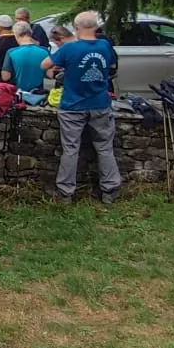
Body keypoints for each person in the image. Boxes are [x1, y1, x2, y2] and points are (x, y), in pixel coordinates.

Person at [43, 11, 122, 204]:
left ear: (76, 28)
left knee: (70, 149)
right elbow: (111, 65)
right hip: (100, 103)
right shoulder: (104, 46)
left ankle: (66, 192)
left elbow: (44, 64)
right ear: (95, 27)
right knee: (104, 147)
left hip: (72, 105)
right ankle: (110, 190)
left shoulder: (70, 49)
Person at [1, 22, 50, 92]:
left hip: (19, 94)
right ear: (30, 33)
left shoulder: (11, 52)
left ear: (16, 35)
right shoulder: (45, 51)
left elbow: (5, 77)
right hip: (39, 94)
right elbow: (50, 74)